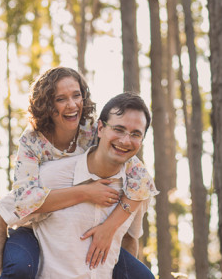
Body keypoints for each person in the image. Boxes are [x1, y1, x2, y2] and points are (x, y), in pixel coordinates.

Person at [0, 67, 158, 278]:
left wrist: (109, 228)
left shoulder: (94, 131)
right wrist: (86, 192)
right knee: (20, 267)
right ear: (47, 105)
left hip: (79, 227)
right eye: (61, 98)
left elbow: (141, 180)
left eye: (77, 95)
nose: (72, 104)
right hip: (33, 227)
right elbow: (24, 201)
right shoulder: (32, 141)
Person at [32, 92, 155, 278]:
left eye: (136, 134)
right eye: (119, 129)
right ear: (100, 128)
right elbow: (3, 215)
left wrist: (110, 227)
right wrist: (85, 192)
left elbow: (129, 240)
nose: (125, 140)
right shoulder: (51, 173)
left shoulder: (137, 184)